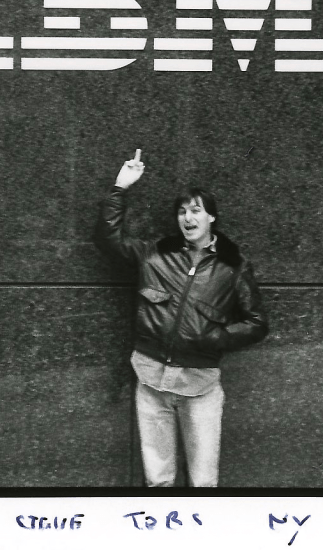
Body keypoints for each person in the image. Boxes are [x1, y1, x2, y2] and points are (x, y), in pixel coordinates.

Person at [94, 149, 268, 487]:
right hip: (151, 381)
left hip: (199, 385)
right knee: (158, 482)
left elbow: (257, 323)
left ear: (211, 217)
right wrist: (120, 187)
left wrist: (214, 338)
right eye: (182, 211)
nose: (187, 217)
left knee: (203, 483)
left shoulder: (232, 266)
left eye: (196, 210)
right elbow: (108, 239)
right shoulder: (155, 254)